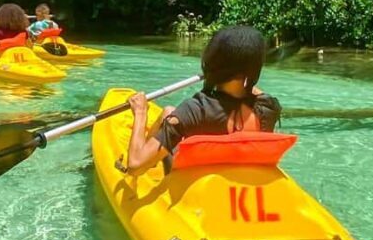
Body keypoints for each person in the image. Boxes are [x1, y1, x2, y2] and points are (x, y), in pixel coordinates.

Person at [120, 25, 282, 176]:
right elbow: (250, 89)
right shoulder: (269, 108)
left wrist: (141, 112)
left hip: (199, 189)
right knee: (169, 112)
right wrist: (242, 71)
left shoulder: (196, 110)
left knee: (168, 113)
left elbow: (135, 166)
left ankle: (149, 155)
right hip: (241, 182)